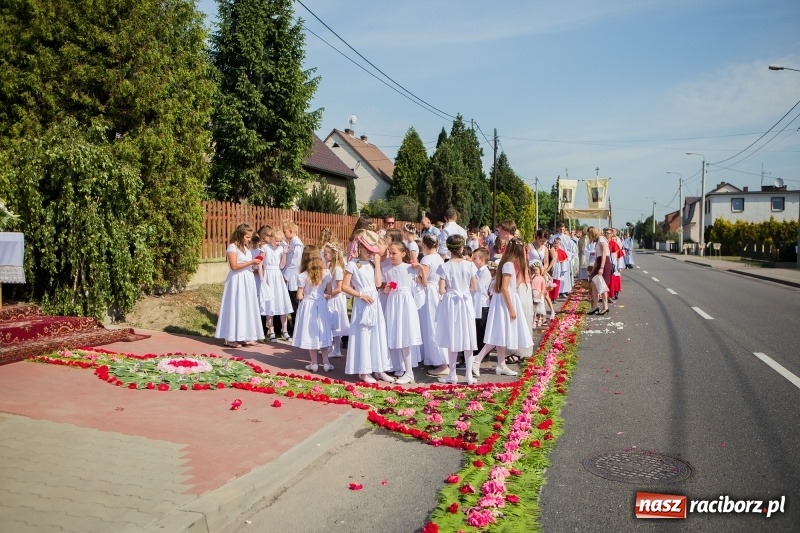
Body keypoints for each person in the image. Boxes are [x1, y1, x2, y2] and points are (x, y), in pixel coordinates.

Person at [341, 230, 395, 384]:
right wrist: (359, 295)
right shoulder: (352, 265)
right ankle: (364, 371)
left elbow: (378, 284)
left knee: (377, 334)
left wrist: (377, 263)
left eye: (373, 251)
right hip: (362, 302)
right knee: (363, 335)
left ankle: (379, 368)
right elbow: (345, 286)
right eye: (368, 250)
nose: (370, 254)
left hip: (374, 301)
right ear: (360, 248)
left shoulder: (372, 264)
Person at [473, 238, 533, 377]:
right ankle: (477, 359)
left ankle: (501, 364)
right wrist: (511, 308)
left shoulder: (509, 264)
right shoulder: (508, 265)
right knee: (498, 334)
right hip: (505, 301)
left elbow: (511, 285)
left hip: (506, 299)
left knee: (502, 334)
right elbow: (505, 288)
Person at [434, 235, 478, 385]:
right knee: (468, 338)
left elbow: (441, 290)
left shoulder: (445, 266)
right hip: (465, 303)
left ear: (448, 248)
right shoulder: (470, 265)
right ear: (461, 247)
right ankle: (469, 376)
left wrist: (451, 290)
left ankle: (452, 374)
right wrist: (464, 290)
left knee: (452, 337)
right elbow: (474, 287)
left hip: (451, 304)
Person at [382, 241, 426, 384]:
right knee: (396, 334)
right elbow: (383, 289)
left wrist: (420, 268)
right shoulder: (386, 270)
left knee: (404, 335)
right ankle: (400, 366)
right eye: (389, 253)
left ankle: (409, 371)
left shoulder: (409, 268)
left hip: (405, 303)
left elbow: (423, 283)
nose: (391, 256)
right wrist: (386, 289)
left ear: (403, 254)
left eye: (394, 253)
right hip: (393, 302)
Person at [215, 223, 265, 348]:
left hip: (247, 279)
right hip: (237, 280)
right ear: (241, 235)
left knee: (246, 306)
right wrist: (251, 262)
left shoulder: (246, 248)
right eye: (247, 237)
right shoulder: (232, 247)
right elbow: (234, 266)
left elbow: (247, 264)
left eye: (250, 237)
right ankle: (230, 337)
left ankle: (244, 336)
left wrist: (256, 263)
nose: (249, 239)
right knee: (236, 306)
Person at [292, 246, 334, 372]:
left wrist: (306, 294)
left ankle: (314, 363)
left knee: (312, 333)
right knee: (323, 331)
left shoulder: (303, 276)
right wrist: (321, 295)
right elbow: (330, 291)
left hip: (308, 305)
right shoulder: (326, 273)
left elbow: (299, 295)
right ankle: (326, 363)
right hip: (321, 304)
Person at [418, 234, 449, 376]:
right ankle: (434, 358)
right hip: (437, 290)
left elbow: (423, 280)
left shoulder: (426, 259)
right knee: (435, 324)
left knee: (430, 325)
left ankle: (441, 362)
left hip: (429, 292)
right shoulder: (439, 258)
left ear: (425, 245)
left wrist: (415, 276)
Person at [259, 227, 293, 341]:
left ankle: (284, 330)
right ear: (271, 238)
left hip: (277, 276)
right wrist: (262, 278)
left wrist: (284, 254)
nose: (278, 243)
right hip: (268, 276)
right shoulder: (265, 248)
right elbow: (260, 263)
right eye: (276, 241)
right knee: (270, 303)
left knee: (281, 302)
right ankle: (272, 330)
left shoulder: (281, 249)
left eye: (280, 241)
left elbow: (282, 266)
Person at [323, 241, 349, 358]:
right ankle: (332, 347)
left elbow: (339, 288)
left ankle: (336, 349)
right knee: (330, 322)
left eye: (326, 254)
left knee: (336, 323)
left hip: (336, 299)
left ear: (333, 255)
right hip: (332, 298)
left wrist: (328, 294)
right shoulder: (331, 267)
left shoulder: (338, 269)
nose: (324, 256)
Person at [281, 220, 304, 339]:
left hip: (294, 279)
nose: (284, 234)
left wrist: (286, 276)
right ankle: (294, 328)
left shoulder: (297, 244)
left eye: (285, 232)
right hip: (290, 278)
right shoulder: (291, 243)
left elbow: (295, 263)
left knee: (295, 305)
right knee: (292, 304)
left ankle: (297, 329)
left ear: (291, 231)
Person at [472, 247, 492, 353]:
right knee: (477, 328)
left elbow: (477, 287)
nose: (472, 260)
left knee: (481, 329)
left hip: (483, 304)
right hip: (477, 303)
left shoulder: (485, 273)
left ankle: (481, 352)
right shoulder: (477, 271)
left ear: (482, 260)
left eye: (475, 258)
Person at [587, 226, 611, 315]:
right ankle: (595, 306)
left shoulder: (601, 239)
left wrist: (601, 267)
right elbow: (597, 257)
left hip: (604, 263)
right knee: (594, 283)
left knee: (602, 284)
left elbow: (604, 254)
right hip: (599, 261)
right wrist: (593, 271)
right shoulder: (597, 241)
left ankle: (605, 307)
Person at [552, 223, 576, 297]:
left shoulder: (567, 237)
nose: (561, 230)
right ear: (557, 229)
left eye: (563, 229)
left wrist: (568, 255)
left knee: (565, 275)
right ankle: (557, 291)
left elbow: (570, 248)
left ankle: (564, 290)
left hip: (564, 257)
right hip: (556, 258)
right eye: (560, 229)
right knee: (556, 274)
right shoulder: (553, 237)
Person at [530, 261, 548, 327]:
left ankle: (540, 318)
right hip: (533, 294)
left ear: (540, 270)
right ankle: (534, 319)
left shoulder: (542, 278)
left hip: (539, 295)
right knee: (534, 308)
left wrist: (540, 295)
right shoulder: (532, 278)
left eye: (536, 270)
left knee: (539, 308)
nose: (535, 271)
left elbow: (543, 289)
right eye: (534, 270)